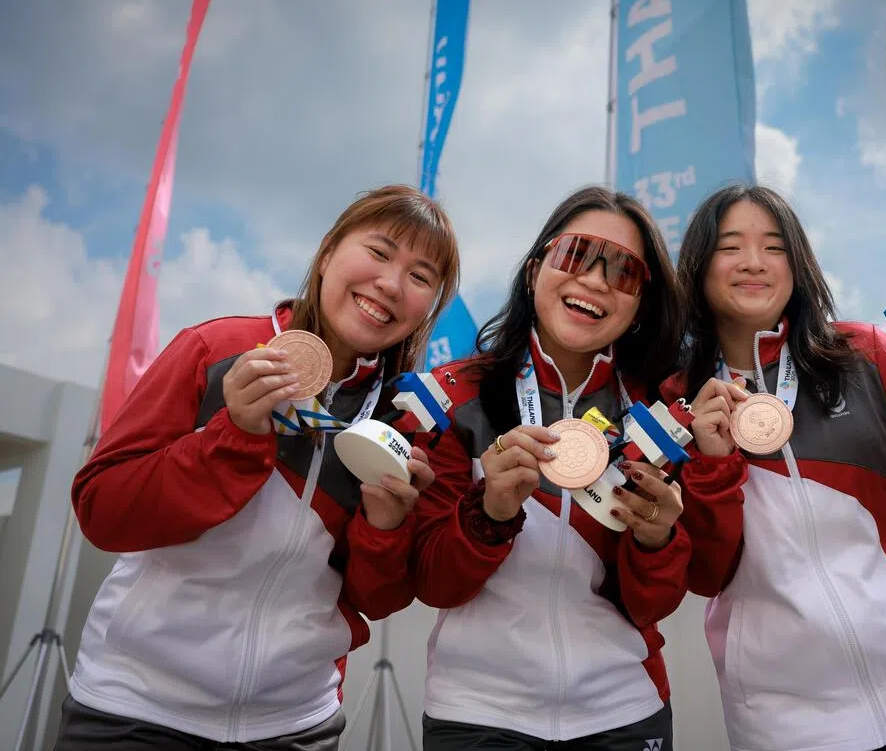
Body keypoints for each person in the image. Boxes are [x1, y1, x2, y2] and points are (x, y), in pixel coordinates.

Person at [55, 185, 460, 750]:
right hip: (136, 708)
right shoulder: (217, 350)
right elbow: (103, 512)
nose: (391, 284)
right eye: (379, 251)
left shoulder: (401, 418)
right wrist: (233, 438)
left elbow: (376, 599)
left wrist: (386, 529)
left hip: (296, 725)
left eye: (421, 277)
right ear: (327, 255)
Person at [669, 184, 886, 751]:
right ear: (697, 266)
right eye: (730, 246)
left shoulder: (862, 355)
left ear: (798, 263)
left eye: (774, 246)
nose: (755, 263)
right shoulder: (678, 403)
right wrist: (712, 467)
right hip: (783, 723)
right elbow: (706, 573)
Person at [410, 186, 689, 750]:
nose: (592, 281)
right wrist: (489, 513)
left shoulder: (655, 415)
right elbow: (433, 582)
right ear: (536, 269)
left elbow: (652, 605)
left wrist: (658, 541)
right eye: (574, 255)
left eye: (623, 273)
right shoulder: (455, 396)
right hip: (479, 714)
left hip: (624, 713)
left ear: (639, 306)